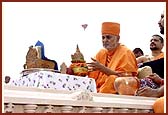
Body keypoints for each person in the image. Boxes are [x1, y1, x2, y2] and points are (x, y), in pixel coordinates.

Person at [87, 22, 138, 94]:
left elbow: (125, 79)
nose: (105, 40)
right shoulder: (101, 53)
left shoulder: (126, 52)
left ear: (118, 38)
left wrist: (103, 69)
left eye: (108, 37)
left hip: (115, 88)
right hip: (97, 89)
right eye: (103, 37)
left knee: (112, 79)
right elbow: (91, 73)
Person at [136, 12, 165, 113]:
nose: (152, 42)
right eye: (151, 40)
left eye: (156, 40)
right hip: (144, 85)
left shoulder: (164, 57)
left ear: (162, 45)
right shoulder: (144, 58)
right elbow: (129, 65)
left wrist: (157, 90)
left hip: (156, 87)